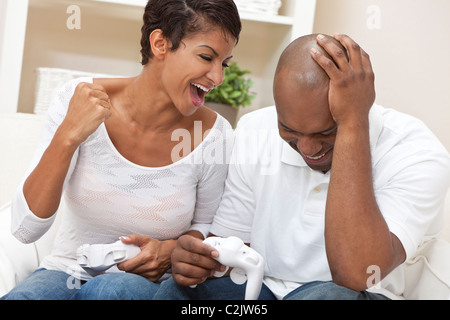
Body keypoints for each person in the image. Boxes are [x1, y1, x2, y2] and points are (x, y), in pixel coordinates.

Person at [153, 34, 450, 300]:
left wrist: (352, 127)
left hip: (354, 294)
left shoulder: (417, 152)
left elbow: (357, 274)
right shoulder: (256, 128)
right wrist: (201, 260)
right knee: (176, 292)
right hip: (262, 287)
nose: (308, 149)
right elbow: (233, 245)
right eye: (290, 130)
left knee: (329, 297)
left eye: (326, 132)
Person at [1, 0, 241, 300]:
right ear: (160, 43)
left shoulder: (215, 134)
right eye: (207, 57)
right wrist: (67, 136)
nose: (218, 78)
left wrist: (171, 251)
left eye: (225, 63)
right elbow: (25, 230)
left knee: (110, 289)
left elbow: (206, 225)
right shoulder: (77, 100)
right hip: (66, 273)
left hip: (151, 284)